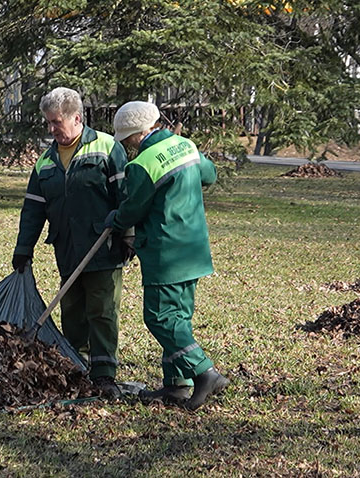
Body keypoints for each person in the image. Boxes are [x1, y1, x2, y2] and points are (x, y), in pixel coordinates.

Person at [104, 101, 229, 411]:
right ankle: (177, 385)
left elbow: (134, 208)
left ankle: (204, 372)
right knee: (180, 317)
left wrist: (114, 220)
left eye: (126, 139)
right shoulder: (185, 145)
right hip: (194, 247)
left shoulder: (143, 165)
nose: (127, 145)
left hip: (166, 252)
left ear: (132, 135)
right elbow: (209, 175)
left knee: (159, 317)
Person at [13, 87, 132, 399]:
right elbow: (33, 209)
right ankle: (77, 369)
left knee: (102, 311)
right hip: (67, 249)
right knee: (73, 311)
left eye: (56, 122)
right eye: (49, 123)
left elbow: (127, 197)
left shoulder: (107, 148)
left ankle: (104, 375)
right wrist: (23, 248)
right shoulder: (45, 163)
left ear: (77, 118)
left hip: (103, 248)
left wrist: (128, 235)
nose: (52, 129)